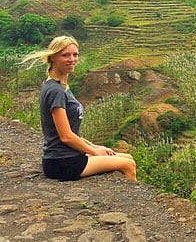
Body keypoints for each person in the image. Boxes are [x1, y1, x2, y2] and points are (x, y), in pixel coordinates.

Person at [20, 35, 137, 181]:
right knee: (128, 165)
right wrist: (94, 151)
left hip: (68, 156)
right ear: (53, 58)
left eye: (75, 55)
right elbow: (66, 136)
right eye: (65, 55)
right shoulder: (55, 91)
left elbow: (74, 133)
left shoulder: (60, 86)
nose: (72, 59)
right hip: (63, 162)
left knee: (127, 156)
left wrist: (95, 146)